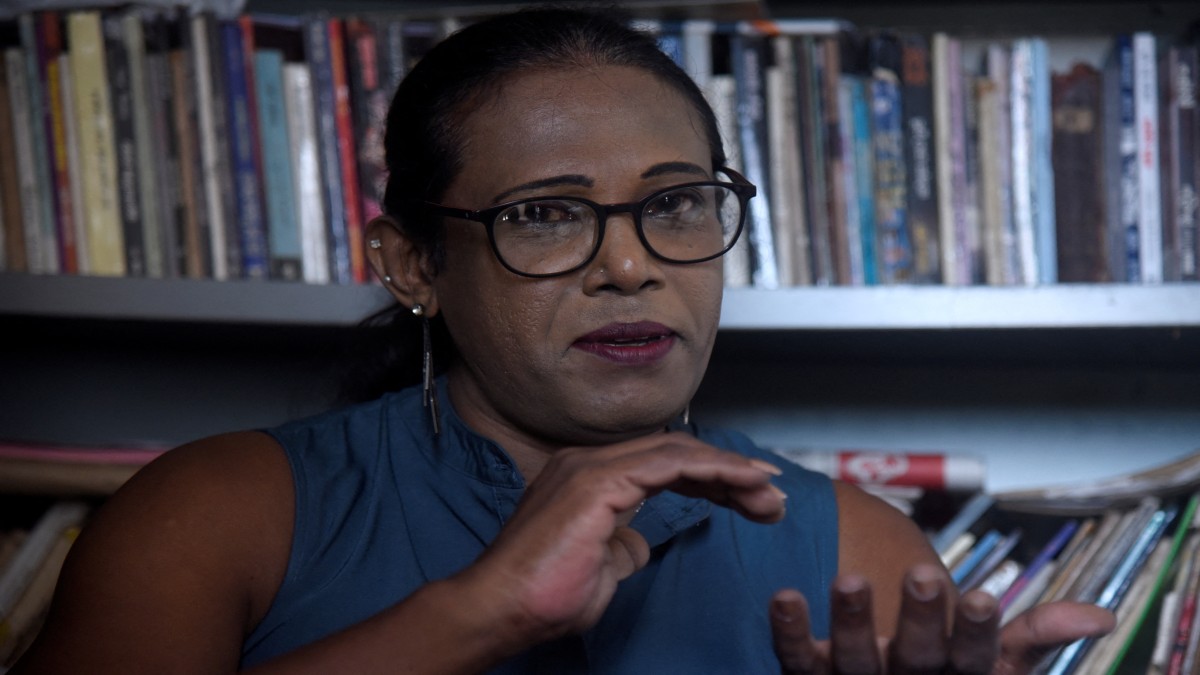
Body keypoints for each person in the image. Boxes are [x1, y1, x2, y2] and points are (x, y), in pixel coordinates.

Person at [12, 6, 1113, 674]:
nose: (630, 264)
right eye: (544, 213)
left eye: (678, 203)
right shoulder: (216, 514)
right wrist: (478, 616)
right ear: (412, 266)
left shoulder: (861, 558)